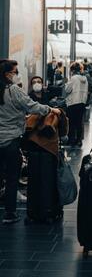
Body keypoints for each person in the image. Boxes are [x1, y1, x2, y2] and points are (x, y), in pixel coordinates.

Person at [0, 59, 60, 224]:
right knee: (12, 177)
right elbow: (32, 106)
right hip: (11, 140)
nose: (17, 75)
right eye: (15, 72)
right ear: (7, 74)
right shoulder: (13, 90)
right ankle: (10, 214)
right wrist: (50, 109)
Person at [65, 62, 88, 147]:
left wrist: (66, 83)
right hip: (82, 102)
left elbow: (67, 90)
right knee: (79, 122)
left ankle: (71, 140)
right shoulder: (84, 78)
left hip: (73, 102)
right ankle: (79, 140)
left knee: (71, 123)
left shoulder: (73, 78)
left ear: (72, 70)